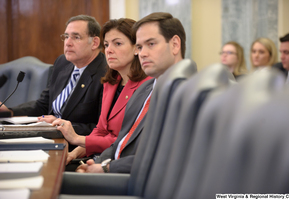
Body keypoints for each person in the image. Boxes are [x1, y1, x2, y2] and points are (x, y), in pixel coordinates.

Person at [75, 12, 186, 174]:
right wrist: (98, 161)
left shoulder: (184, 93)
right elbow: (122, 141)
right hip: (117, 168)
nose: (142, 53)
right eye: (140, 47)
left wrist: (105, 167)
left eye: (151, 44)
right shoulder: (146, 89)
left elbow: (161, 157)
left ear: (175, 44)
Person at [52, 18, 152, 169]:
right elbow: (100, 130)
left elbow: (124, 141)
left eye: (117, 43)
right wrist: (77, 152)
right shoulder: (110, 82)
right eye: (106, 45)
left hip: (121, 165)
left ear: (136, 48)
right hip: (100, 157)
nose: (109, 50)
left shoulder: (147, 87)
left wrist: (78, 139)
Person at [0, 15, 107, 151]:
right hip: (49, 139)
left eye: (76, 37)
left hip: (78, 149)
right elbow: (43, 105)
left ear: (95, 42)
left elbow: (101, 129)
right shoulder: (62, 63)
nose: (68, 42)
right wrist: (9, 111)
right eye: (66, 36)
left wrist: (60, 125)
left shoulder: (106, 75)